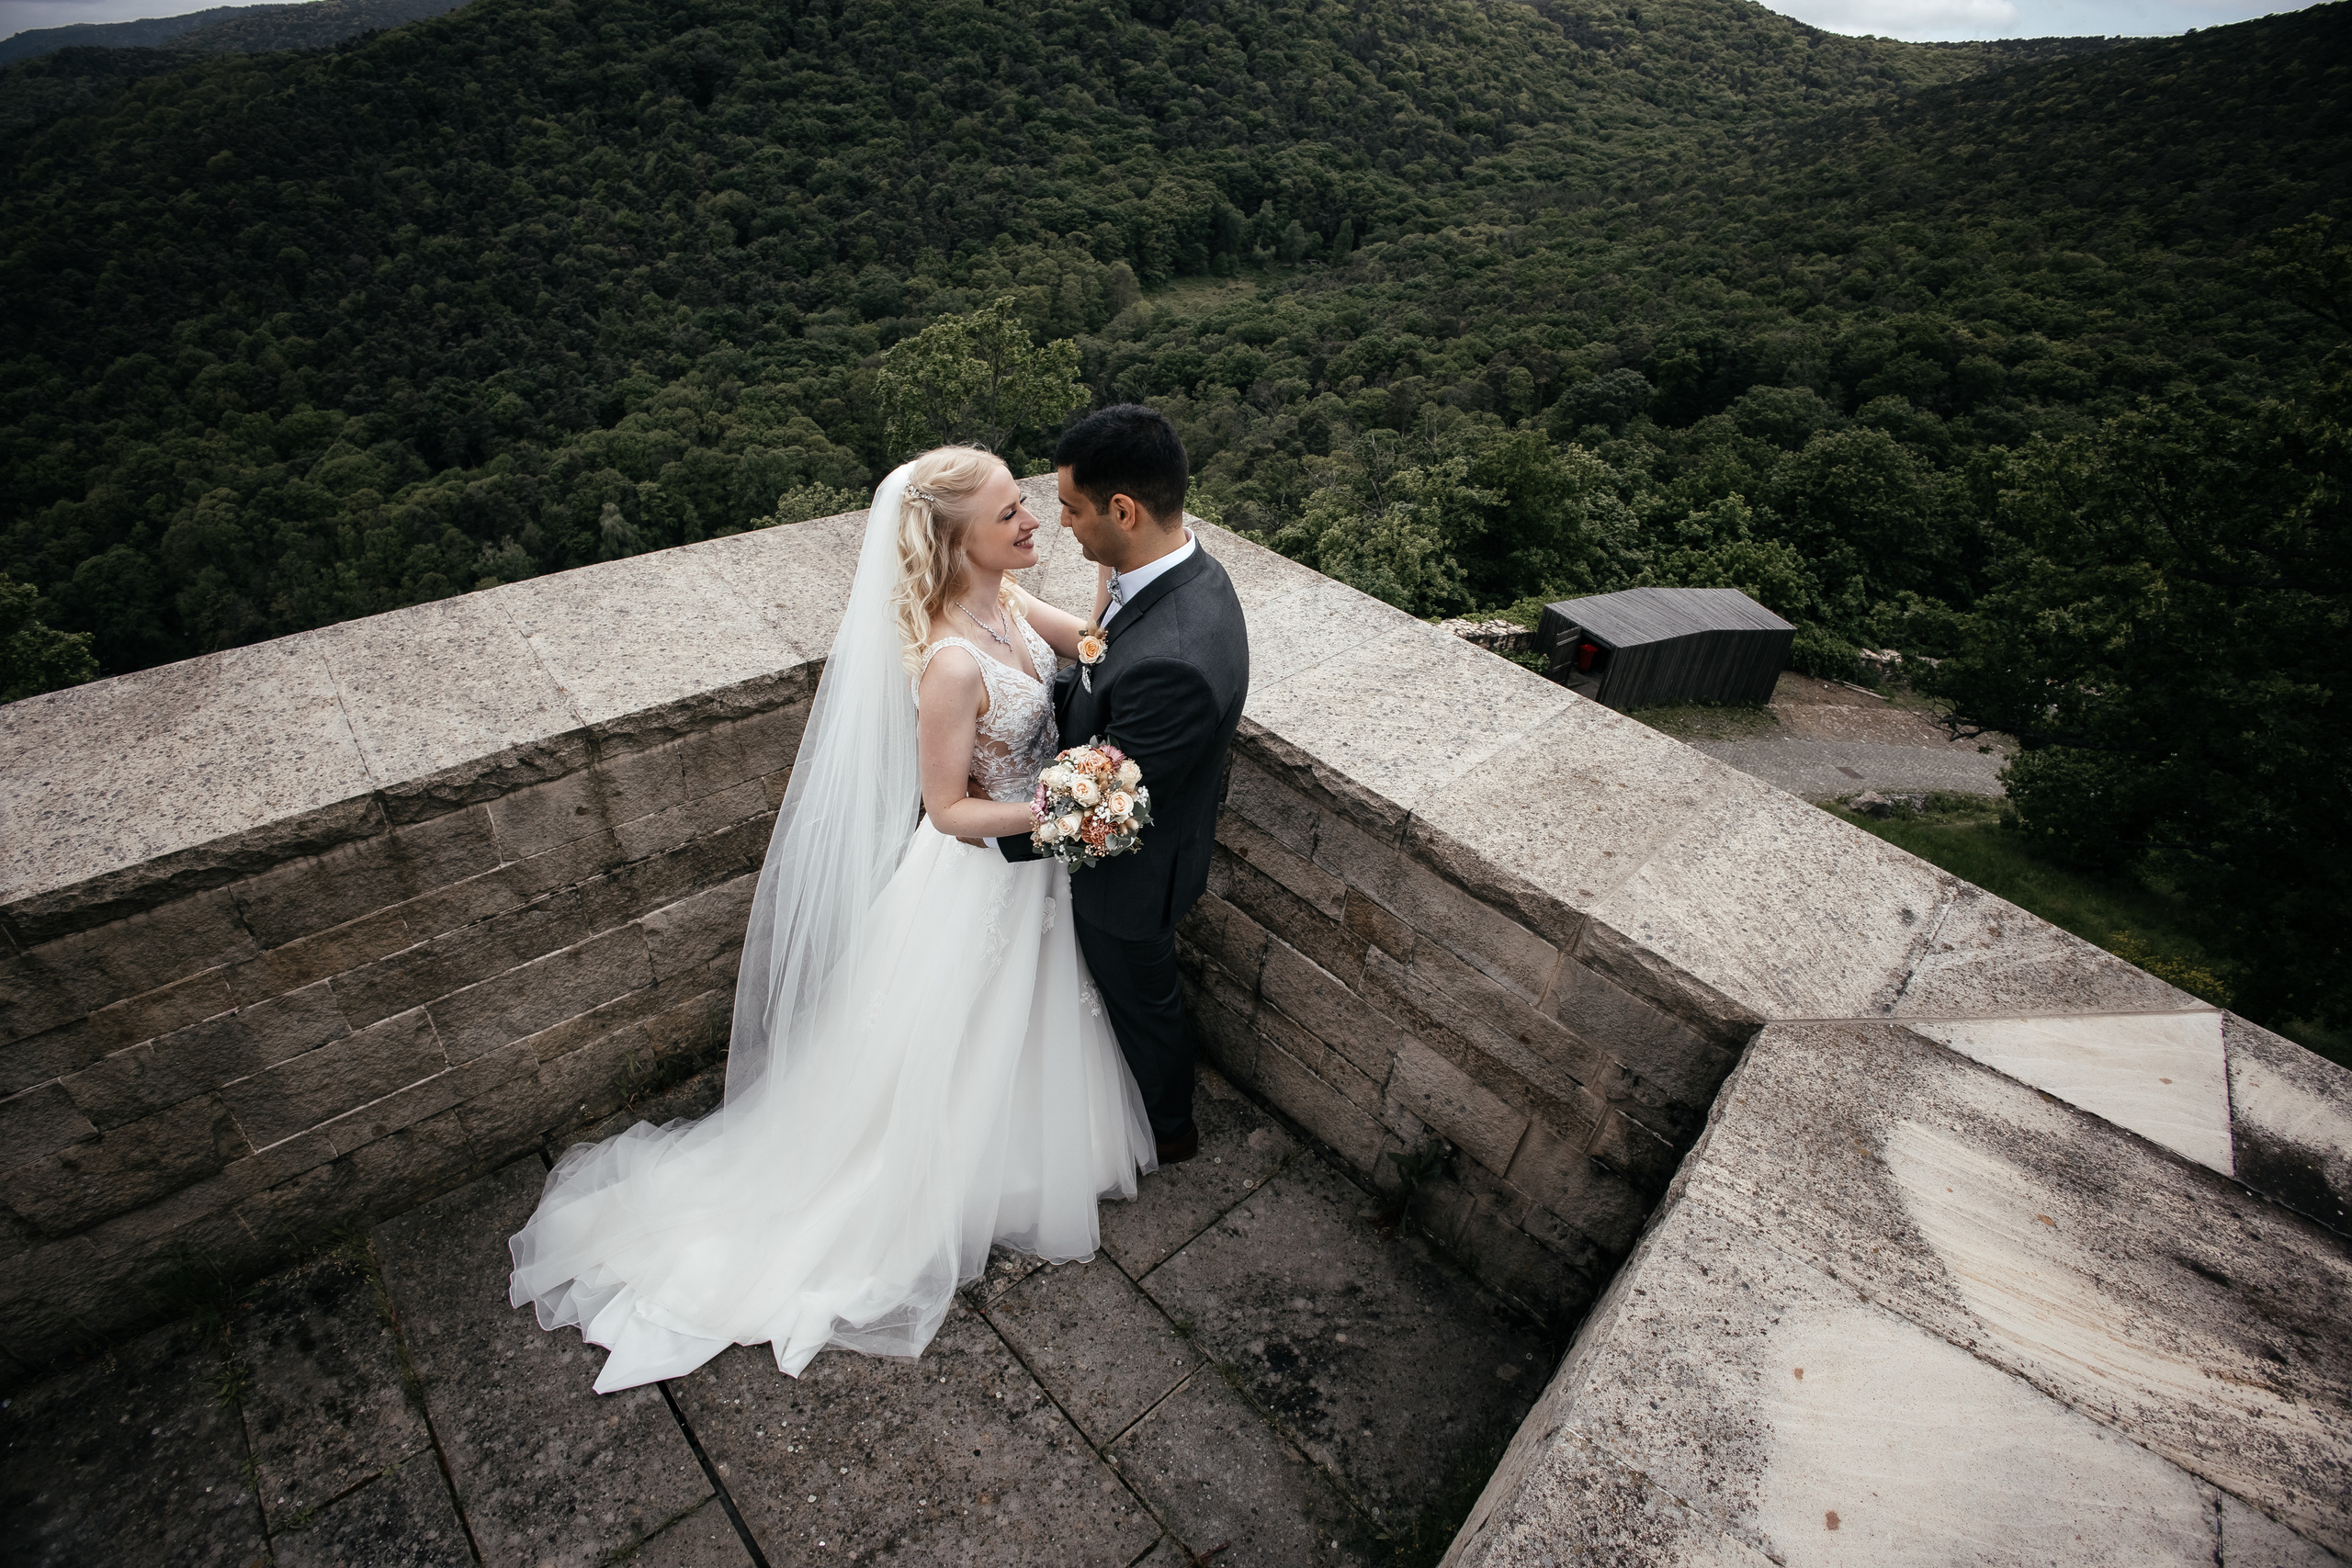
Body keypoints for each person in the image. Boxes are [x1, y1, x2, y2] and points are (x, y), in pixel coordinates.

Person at [507, 444, 1164, 1393]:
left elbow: (1093, 649)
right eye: (1008, 514)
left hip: (1037, 873)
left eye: (1026, 504)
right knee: (949, 1048)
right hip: (983, 872)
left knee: (1023, 1032)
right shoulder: (947, 661)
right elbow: (945, 810)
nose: (1031, 522)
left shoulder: (1008, 604)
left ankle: (1019, 1158)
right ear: (954, 542)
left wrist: (1112, 563)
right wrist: (1064, 811)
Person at [996, 405, 1250, 1165]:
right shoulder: (1183, 573)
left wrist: (961, 820)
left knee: (1144, 1005)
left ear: (1123, 510)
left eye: (1072, 508)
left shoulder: (1174, 654)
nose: (1060, 524)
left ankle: (1171, 1130)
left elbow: (1103, 806)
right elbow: (1103, 665)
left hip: (1132, 880)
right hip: (1140, 838)